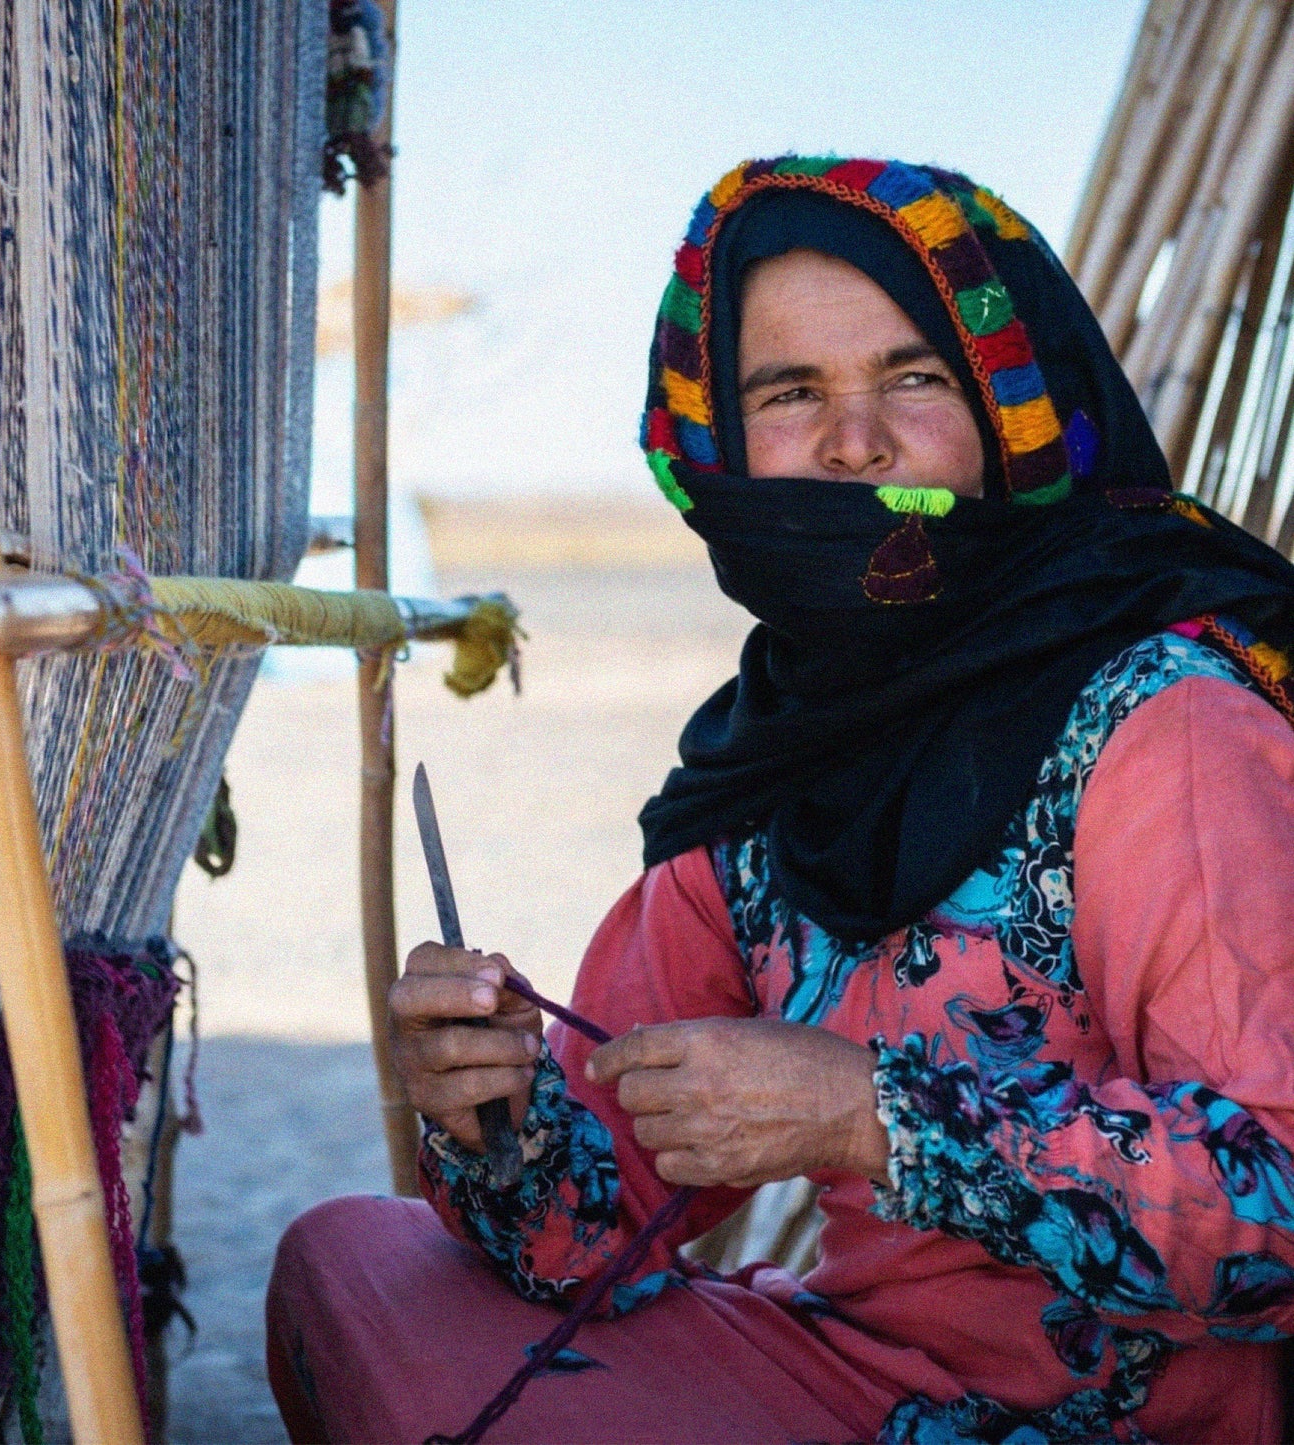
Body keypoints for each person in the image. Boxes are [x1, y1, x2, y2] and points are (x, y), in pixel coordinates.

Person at [266, 157, 1294, 1443]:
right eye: (790, 390)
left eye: (912, 377)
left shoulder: (1166, 723)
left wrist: (870, 1115)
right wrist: (496, 1115)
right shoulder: (772, 760)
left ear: (1010, 407)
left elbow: (1276, 1213)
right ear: (720, 445)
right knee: (355, 1266)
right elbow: (587, 1233)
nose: (852, 441)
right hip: (848, 1377)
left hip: (1129, 1425)